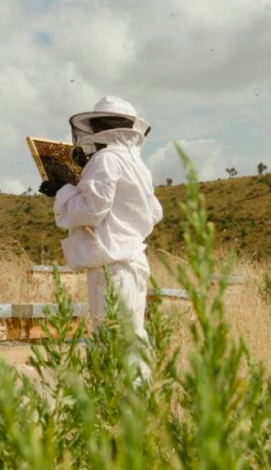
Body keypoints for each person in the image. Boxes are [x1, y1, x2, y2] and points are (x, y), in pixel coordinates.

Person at [39, 96, 162, 378]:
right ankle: (139, 401)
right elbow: (154, 212)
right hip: (132, 261)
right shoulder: (137, 164)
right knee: (132, 339)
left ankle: (122, 402)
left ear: (99, 127)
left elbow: (91, 210)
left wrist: (64, 189)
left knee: (113, 341)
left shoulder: (106, 159)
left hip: (112, 266)